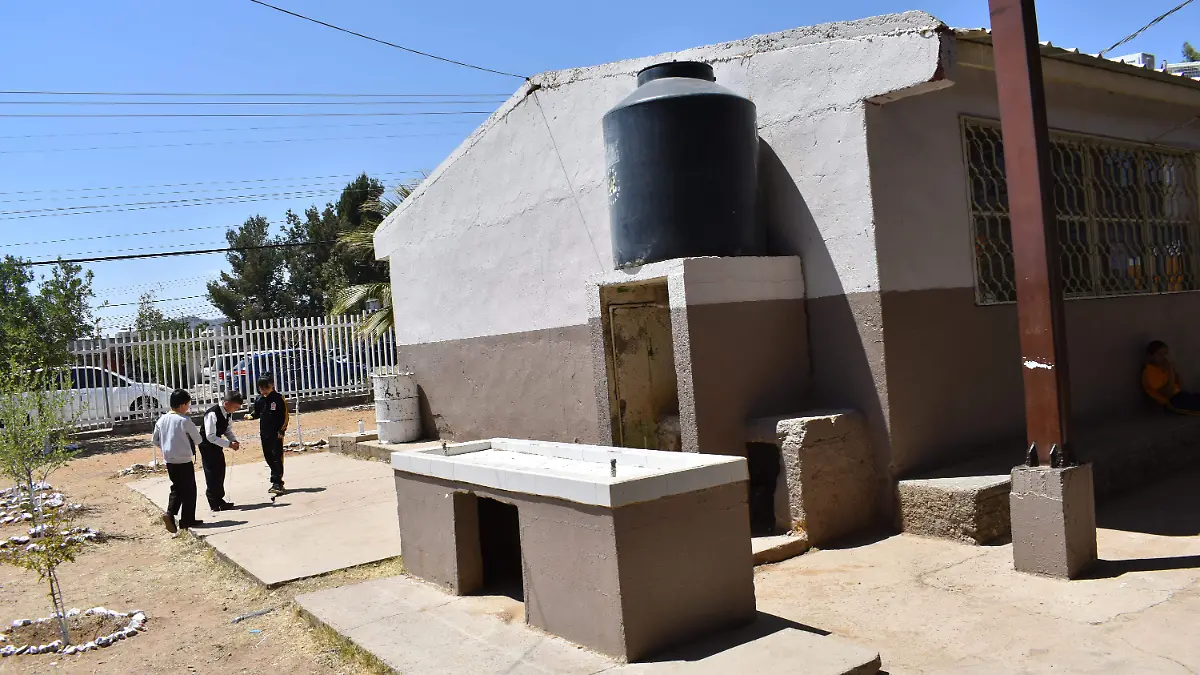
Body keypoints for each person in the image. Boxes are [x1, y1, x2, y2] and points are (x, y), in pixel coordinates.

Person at [151, 389, 204, 533]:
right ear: (182, 405)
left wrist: (167, 447)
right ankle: (185, 519)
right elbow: (198, 439)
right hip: (184, 459)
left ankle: (173, 515)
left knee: (177, 487)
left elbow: (154, 440)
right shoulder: (184, 420)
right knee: (189, 490)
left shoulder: (161, 420)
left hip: (169, 459)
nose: (188, 407)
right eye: (188, 404)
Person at [199, 390, 244, 512]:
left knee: (220, 471)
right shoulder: (212, 414)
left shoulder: (228, 414)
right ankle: (213, 501)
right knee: (212, 473)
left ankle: (220, 499)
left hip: (217, 444)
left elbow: (227, 430)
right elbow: (210, 436)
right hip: (207, 445)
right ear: (227, 403)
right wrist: (229, 444)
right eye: (235, 407)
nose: (236, 409)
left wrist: (234, 440)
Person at [248, 374, 289, 494]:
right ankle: (275, 480)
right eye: (261, 389)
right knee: (268, 457)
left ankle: (277, 482)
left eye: (266, 388)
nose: (263, 391)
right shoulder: (259, 400)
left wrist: (282, 430)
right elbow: (257, 413)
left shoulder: (278, 398)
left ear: (272, 386)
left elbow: (285, 416)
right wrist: (251, 416)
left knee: (277, 457)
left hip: (276, 433)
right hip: (264, 433)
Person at [1142, 340, 1200, 415]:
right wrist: (1171, 371)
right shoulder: (1150, 372)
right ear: (1150, 356)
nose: (1163, 357)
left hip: (1180, 395)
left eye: (1165, 354)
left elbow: (1179, 385)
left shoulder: (1163, 368)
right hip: (1172, 402)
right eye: (1159, 354)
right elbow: (1168, 393)